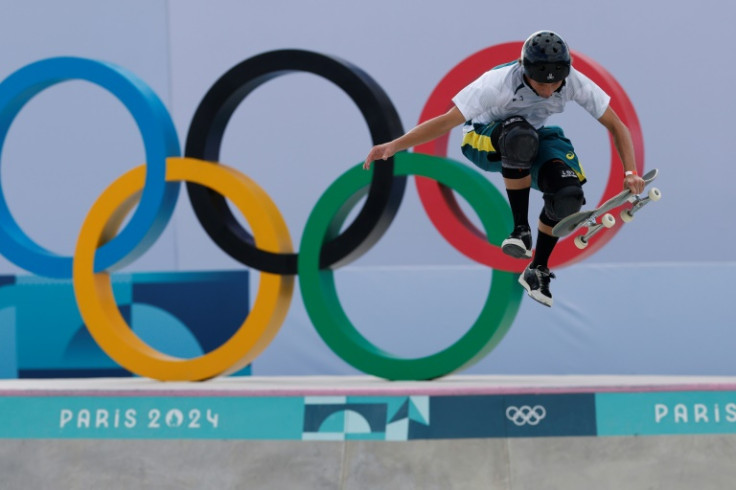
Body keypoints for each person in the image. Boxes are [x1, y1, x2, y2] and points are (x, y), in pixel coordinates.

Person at [363, 30, 645, 307]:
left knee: (567, 194)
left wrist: (630, 172)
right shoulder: (496, 83)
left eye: (555, 84)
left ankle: (537, 270)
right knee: (521, 136)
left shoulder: (572, 81)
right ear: (525, 71)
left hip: (535, 138)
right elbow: (445, 122)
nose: (548, 91)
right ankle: (520, 229)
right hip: (484, 139)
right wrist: (395, 145)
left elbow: (615, 125)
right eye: (540, 84)